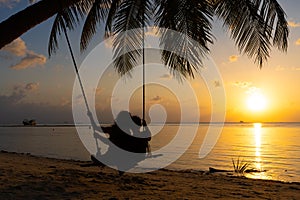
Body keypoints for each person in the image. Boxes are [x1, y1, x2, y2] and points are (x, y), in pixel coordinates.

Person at [87, 110, 151, 173]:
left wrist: (98, 136)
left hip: (116, 154)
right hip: (118, 154)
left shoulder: (122, 132)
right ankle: (106, 160)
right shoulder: (126, 132)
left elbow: (109, 142)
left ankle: (104, 160)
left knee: (104, 157)